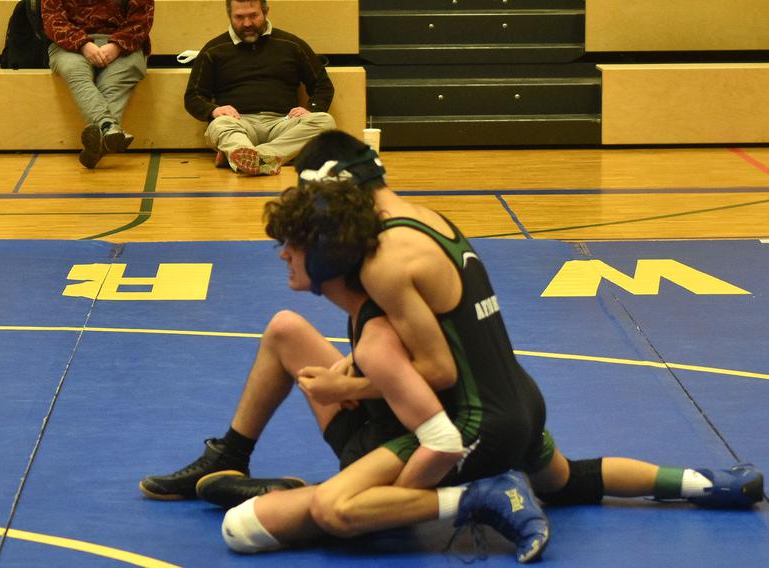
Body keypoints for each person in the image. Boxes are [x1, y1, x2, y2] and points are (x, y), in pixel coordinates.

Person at [140, 131, 764, 558]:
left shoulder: (384, 259)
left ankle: (454, 497)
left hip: (468, 419)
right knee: (566, 480)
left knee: (339, 512)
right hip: (514, 394)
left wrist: (347, 383)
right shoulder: (423, 218)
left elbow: (436, 368)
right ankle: (708, 484)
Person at [183, 0, 336, 176]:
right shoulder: (213, 50)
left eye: (253, 16)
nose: (247, 23)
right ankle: (255, 157)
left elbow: (322, 86)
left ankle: (243, 158)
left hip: (284, 123)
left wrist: (311, 109)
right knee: (219, 126)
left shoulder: (292, 44)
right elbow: (193, 97)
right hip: (238, 122)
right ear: (229, 16)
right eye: (239, 17)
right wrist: (214, 111)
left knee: (325, 122)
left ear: (265, 12)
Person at [42, 0, 154, 169]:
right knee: (75, 72)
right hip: (69, 46)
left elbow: (141, 19)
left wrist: (116, 45)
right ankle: (108, 125)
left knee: (112, 84)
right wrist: (83, 44)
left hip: (123, 46)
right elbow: (52, 18)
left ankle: (101, 139)